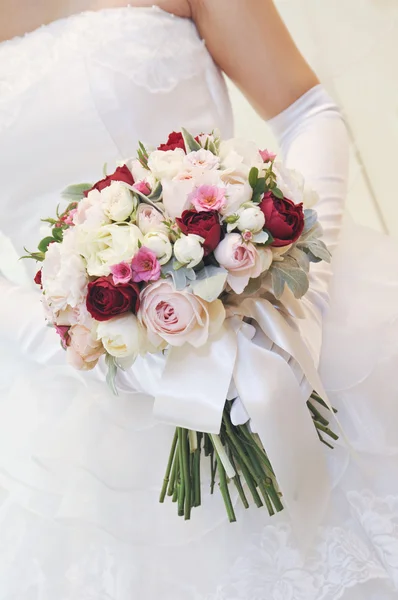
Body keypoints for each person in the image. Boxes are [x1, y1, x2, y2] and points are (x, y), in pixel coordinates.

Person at [0, 1, 397, 598]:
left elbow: (307, 109)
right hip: (84, 402)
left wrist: (299, 299)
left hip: (279, 315)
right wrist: (93, 349)